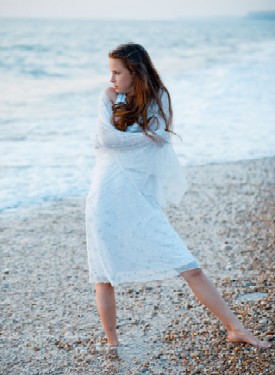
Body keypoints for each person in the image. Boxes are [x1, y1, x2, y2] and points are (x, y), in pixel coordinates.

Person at [85, 43, 270, 350]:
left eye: (117, 72)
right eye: (111, 72)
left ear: (135, 71)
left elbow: (151, 143)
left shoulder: (160, 98)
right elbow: (107, 139)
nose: (111, 78)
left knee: (190, 266)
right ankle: (113, 343)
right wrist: (145, 139)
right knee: (103, 274)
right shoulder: (107, 97)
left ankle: (235, 328)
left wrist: (130, 141)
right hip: (105, 196)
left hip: (141, 198)